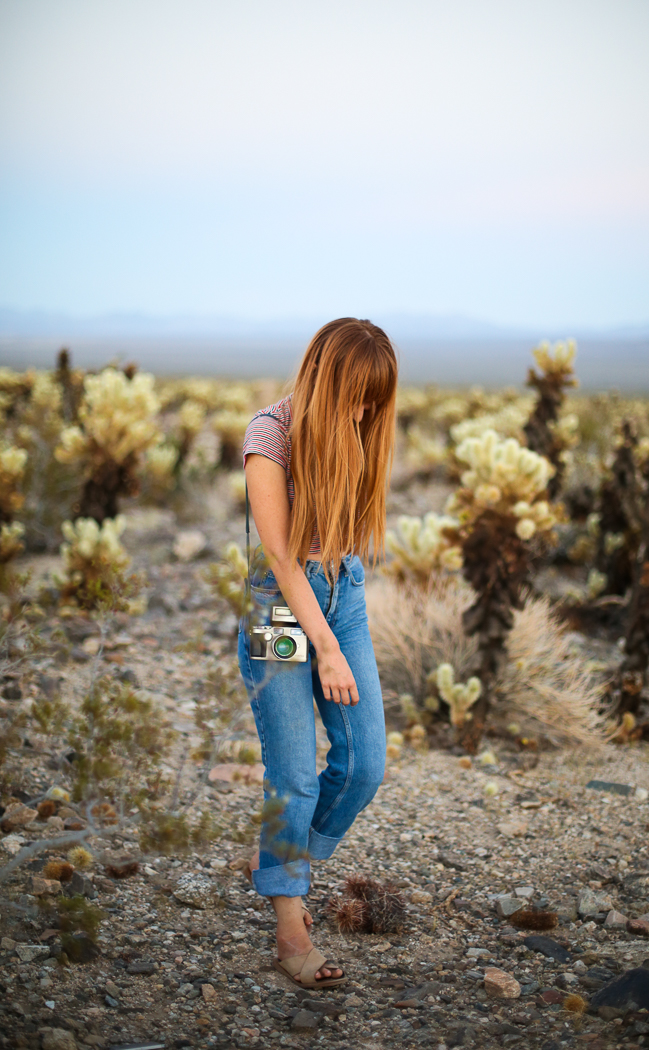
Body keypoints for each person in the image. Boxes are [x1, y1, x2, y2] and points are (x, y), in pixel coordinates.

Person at [238, 317, 398, 988]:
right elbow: (279, 552)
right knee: (295, 774)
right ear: (324, 378)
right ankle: (289, 918)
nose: (365, 412)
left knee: (364, 762)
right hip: (277, 605)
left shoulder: (358, 432)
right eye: (357, 396)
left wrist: (338, 627)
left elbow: (341, 544)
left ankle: (285, 863)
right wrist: (324, 651)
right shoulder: (269, 435)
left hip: (342, 592)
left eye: (375, 400)